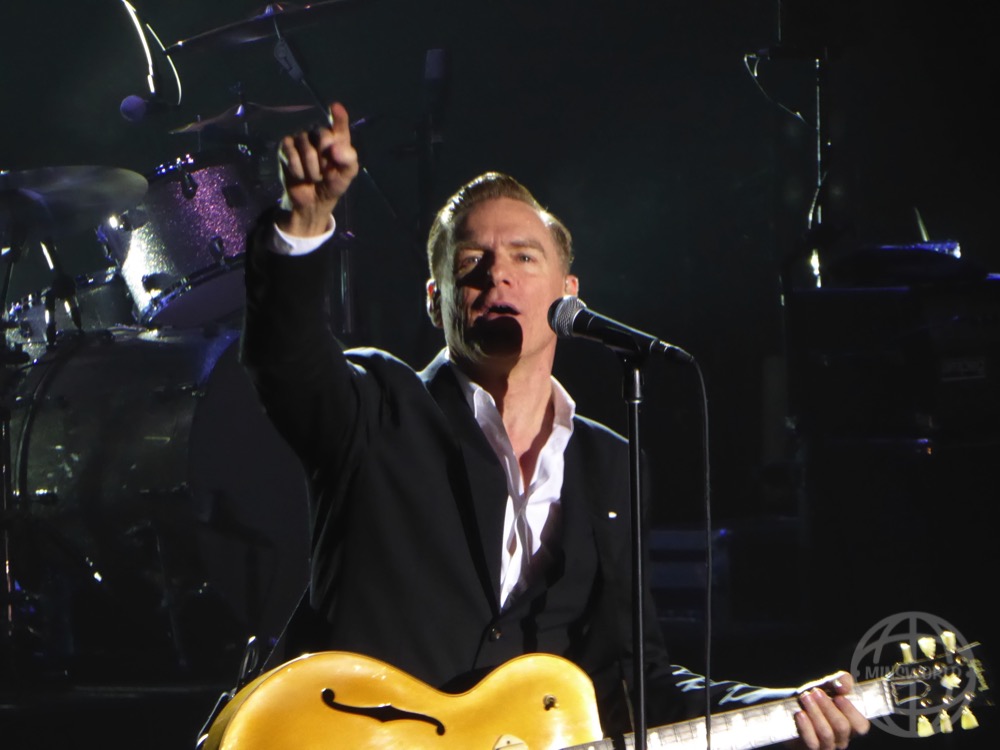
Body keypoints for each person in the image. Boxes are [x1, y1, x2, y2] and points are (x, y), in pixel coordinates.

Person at [238, 101, 870, 749]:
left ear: (569, 294)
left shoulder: (609, 464)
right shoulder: (376, 407)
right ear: (436, 300)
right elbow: (286, 357)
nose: (498, 273)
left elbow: (633, 681)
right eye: (471, 261)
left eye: (524, 257)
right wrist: (303, 224)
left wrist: (783, 707)